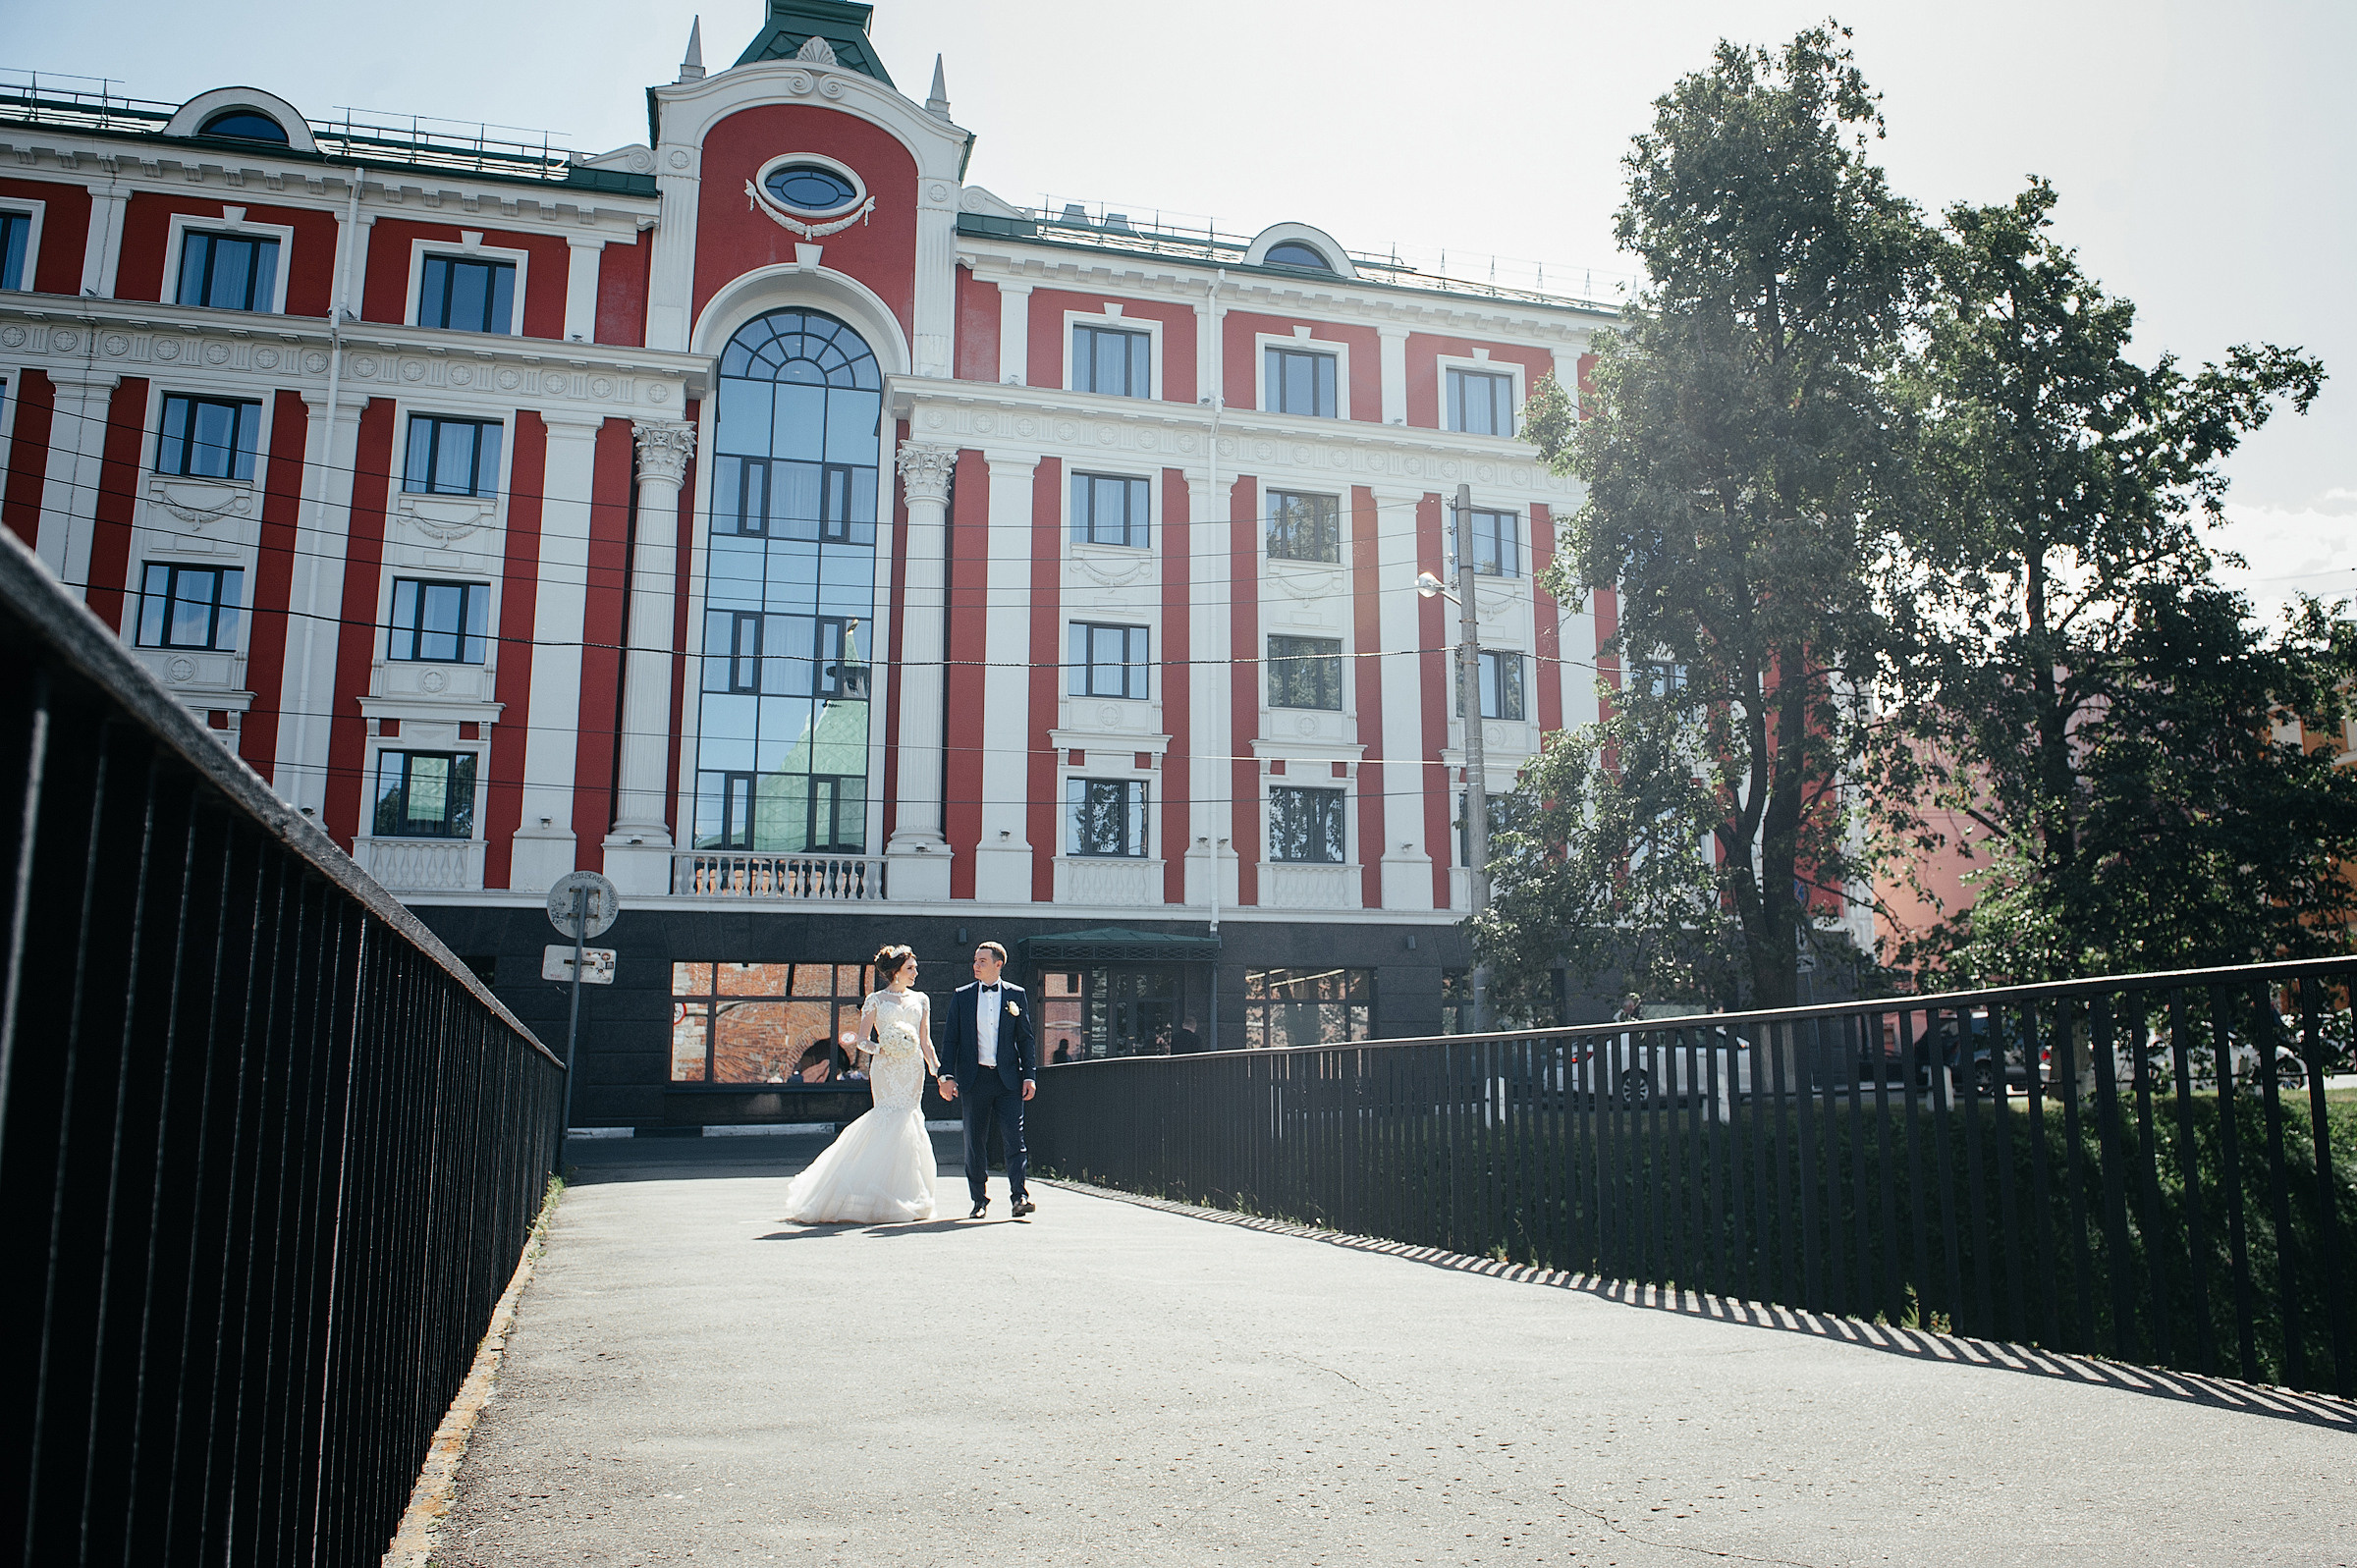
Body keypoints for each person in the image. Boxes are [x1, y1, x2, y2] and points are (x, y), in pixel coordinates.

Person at [779, 946, 941, 1224]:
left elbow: (925, 1041)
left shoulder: (922, 1000)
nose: (916, 972)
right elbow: (862, 1041)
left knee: (911, 1121)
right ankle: (867, 1193)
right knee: (888, 1119)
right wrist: (885, 1048)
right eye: (910, 968)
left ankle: (910, 1195)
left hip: (913, 1070)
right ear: (896, 973)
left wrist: (939, 1071)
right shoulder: (875, 1000)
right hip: (887, 1068)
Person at [938, 941, 1037, 1219]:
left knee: (1014, 1141)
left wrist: (1029, 1075)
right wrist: (946, 1076)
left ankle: (1020, 1197)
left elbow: (1026, 1039)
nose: (976, 965)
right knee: (974, 1141)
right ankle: (979, 1199)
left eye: (982, 960)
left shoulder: (1016, 995)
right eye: (975, 960)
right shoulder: (963, 996)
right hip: (974, 1079)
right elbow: (951, 1040)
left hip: (1008, 1081)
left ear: (998, 964)